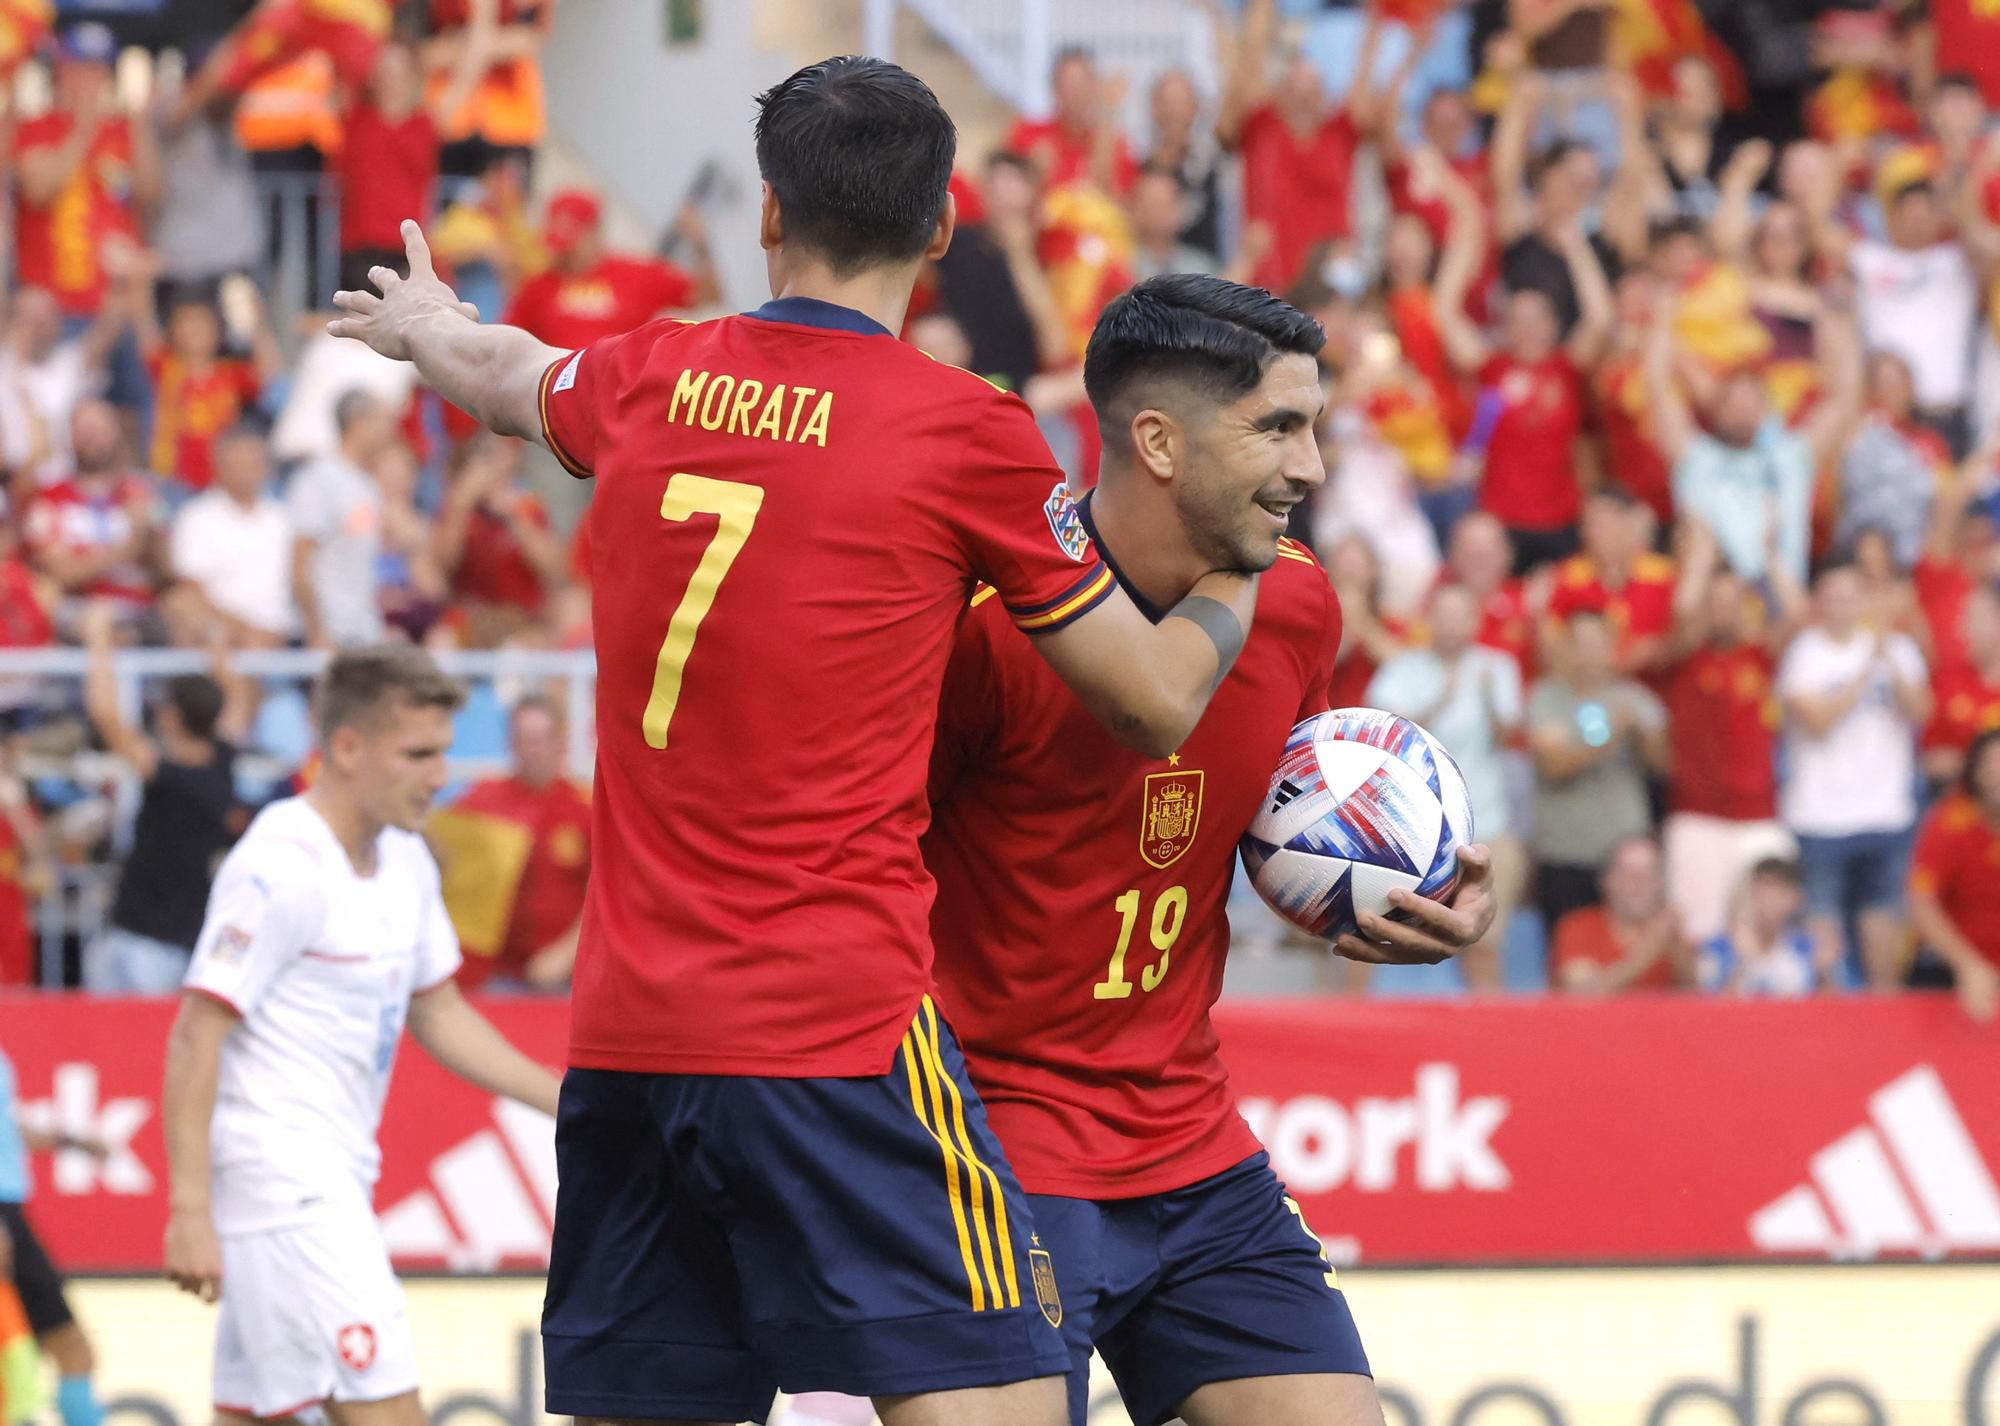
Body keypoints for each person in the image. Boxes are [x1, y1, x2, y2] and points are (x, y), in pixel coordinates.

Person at [329, 56, 1266, 1424]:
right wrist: (1246, 571)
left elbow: (506, 368)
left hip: (633, 1037)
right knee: (1008, 1399)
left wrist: (421, 322)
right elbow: (1152, 700)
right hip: (837, 1034)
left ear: (769, 216)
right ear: (943, 228)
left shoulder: (656, 374)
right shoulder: (965, 429)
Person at [926, 274, 1496, 1426]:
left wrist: (1412, 894)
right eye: (1278, 428)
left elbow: (1272, 820)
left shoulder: (1294, 606)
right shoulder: (978, 633)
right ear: (1158, 442)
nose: (1313, 467)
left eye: (1314, 427)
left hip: (1189, 1141)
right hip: (994, 1151)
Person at [159, 645, 563, 1424]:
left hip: (330, 1175)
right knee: (388, 1411)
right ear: (347, 749)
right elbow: (194, 1033)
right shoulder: (280, 867)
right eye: (418, 753)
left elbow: (439, 1011)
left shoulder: (405, 857)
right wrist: (188, 1209)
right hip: (285, 1183)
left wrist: (565, 1098)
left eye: (444, 751)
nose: (441, 774)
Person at [79, 600, 249, 994]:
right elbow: (234, 694)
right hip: (179, 942)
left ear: (173, 716)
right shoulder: (222, 762)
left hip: (141, 944)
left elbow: (106, 717)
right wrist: (208, 636)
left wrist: (98, 640)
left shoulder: (172, 779)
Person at [1778, 559, 1931, 987]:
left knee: (1882, 926)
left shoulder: (1898, 649)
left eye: (1851, 595)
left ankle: (1887, 1030)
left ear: (1865, 599)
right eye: (1833, 596)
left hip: (1886, 813)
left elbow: (1921, 712)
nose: (1843, 605)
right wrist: (1866, 669)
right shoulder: (1804, 653)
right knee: (1824, 937)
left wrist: (1889, 661)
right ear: (1819, 602)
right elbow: (1818, 721)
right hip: (1820, 817)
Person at [1645, 283, 1860, 585]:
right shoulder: (1695, 458)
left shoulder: (1793, 457)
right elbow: (1657, 389)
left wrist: (1828, 317)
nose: (1742, 409)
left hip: (1779, 605)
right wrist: (1664, 320)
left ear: (1766, 410)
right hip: (1716, 602)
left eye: (1751, 401)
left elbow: (1844, 396)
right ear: (1716, 409)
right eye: (1733, 401)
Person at [1369, 581, 1523, 988]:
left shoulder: (1497, 665)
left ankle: (1488, 1036)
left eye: (1461, 613)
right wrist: (1443, 697)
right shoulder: (1401, 669)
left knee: (1483, 941)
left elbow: (1509, 738)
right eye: (1444, 613)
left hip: (1485, 826)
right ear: (1428, 619)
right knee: (1370, 933)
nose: (1452, 623)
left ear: (1475, 620)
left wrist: (1488, 701)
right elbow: (1386, 741)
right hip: (1408, 831)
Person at [1659, 523, 1803, 944]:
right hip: (1697, 815)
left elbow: (1795, 616)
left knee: (1771, 932)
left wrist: (1772, 558)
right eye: (1714, 602)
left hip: (1759, 814)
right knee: (1699, 934)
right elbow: (1684, 615)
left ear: (1748, 607)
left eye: (1733, 601)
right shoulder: (1683, 659)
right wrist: (1702, 556)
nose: (1723, 610)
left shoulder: (1759, 657)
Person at [433, 694, 590, 991]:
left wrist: (565, 954)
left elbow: (608, 891)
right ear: (510, 743)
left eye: (541, 738)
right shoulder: (480, 802)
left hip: (566, 974)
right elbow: (440, 858)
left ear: (561, 743)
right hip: (494, 973)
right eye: (523, 739)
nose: (533, 750)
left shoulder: (585, 809)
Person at [1527, 608, 1671, 931]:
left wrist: (1642, 737)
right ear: (1565, 647)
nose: (1590, 653)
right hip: (1566, 853)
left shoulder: (1637, 698)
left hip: (1626, 857)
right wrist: (1613, 735)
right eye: (1581, 643)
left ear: (1612, 647)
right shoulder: (1546, 698)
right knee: (1568, 954)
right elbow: (1555, 765)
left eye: (1598, 643)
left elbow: (1661, 766)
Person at [0, 1046, 110, 1426]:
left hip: (10, 1214)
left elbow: (7, 1128)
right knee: (68, 1349)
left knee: (71, 1350)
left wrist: (73, 1142)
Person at [501, 186, 717, 350]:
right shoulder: (538, 287)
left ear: (594, 233)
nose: (562, 255)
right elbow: (509, 342)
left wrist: (701, 245)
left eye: (570, 245)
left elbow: (708, 295)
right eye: (558, 245)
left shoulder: (636, 275)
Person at [167, 425, 296, 649]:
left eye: (251, 463)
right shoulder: (197, 516)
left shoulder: (283, 520)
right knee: (188, 614)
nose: (245, 470)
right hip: (224, 634)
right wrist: (244, 630)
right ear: (219, 466)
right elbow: (191, 589)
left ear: (265, 468)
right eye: (237, 463)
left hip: (281, 635)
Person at [289, 390, 394, 649]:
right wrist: (316, 629)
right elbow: (300, 560)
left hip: (363, 628)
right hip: (330, 630)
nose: (390, 432)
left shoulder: (368, 484)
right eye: (383, 422)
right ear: (359, 423)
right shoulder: (319, 478)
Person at [1909, 727, 2000, 1021]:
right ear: (1975, 772)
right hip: (1951, 969)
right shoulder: (1950, 824)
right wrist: (1967, 965)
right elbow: (1921, 902)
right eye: (1991, 766)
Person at [1550, 835, 1688, 992]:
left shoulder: (1670, 931)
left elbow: (1699, 994)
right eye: (1627, 872)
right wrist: (1649, 949)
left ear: (1661, 883)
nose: (1639, 881)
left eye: (1650, 872)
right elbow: (1583, 992)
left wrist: (1677, 949)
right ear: (1606, 880)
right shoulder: (1577, 927)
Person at [1696, 856, 1820, 997]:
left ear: (1797, 897)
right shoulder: (1717, 948)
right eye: (1765, 888)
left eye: (1781, 890)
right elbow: (1707, 1006)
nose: (1771, 899)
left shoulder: (1807, 948)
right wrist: (1744, 960)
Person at [1923, 586, 2000, 787]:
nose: (1963, 630)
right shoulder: (1948, 680)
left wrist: (1964, 761)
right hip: (1958, 804)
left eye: (1974, 620)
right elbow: (1933, 761)